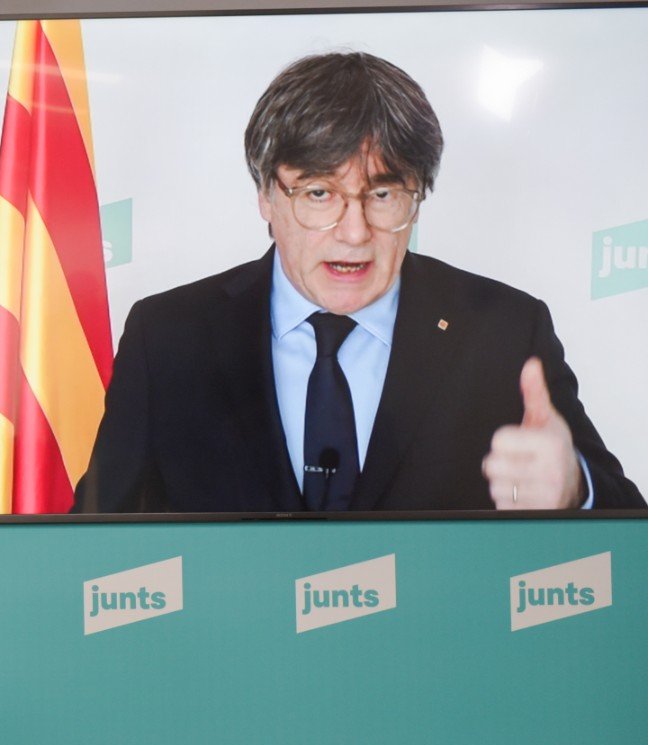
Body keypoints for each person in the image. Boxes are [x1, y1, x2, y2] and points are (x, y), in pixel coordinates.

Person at [74, 51, 643, 514]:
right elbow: (91, 543)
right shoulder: (169, 335)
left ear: (416, 199)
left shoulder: (503, 331)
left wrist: (576, 490)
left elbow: (626, 528)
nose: (354, 232)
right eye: (319, 193)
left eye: (382, 194)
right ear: (266, 196)